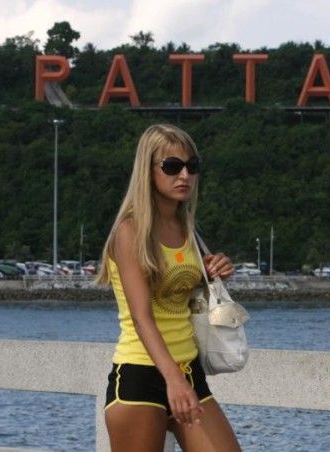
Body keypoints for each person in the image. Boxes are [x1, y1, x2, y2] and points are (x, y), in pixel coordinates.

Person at [97, 124, 241, 452]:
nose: (184, 175)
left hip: (189, 372)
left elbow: (184, 293)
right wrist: (173, 380)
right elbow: (141, 317)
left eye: (192, 166)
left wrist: (214, 272)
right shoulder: (130, 232)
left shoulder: (186, 228)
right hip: (140, 376)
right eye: (172, 166)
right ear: (148, 171)